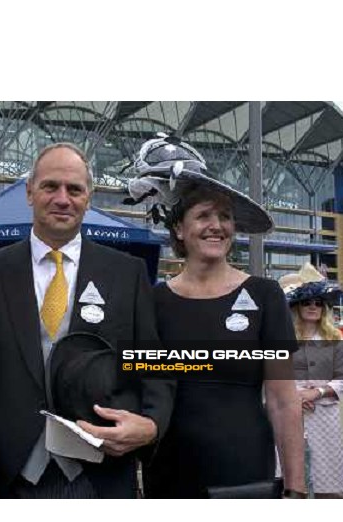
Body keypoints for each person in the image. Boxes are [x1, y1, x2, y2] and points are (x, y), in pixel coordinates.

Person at [0, 142, 176, 498]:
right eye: (50, 186)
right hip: (11, 475)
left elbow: (152, 362)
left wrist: (152, 424)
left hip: (101, 472)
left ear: (88, 198)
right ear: (29, 192)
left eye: (74, 189)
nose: (63, 198)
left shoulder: (127, 274)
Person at [126, 134, 306, 498]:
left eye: (224, 216)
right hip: (168, 469)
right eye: (203, 215)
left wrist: (296, 489)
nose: (217, 225)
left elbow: (284, 401)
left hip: (244, 473)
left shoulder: (264, 295)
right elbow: (141, 388)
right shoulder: (152, 300)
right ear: (179, 228)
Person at [280, 263, 343, 498]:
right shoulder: (281, 338)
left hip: (323, 416)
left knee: (328, 483)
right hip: (288, 414)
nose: (313, 307)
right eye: (307, 302)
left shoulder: (334, 337)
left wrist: (318, 392)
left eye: (318, 303)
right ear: (296, 306)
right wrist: (294, 398)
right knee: (290, 478)